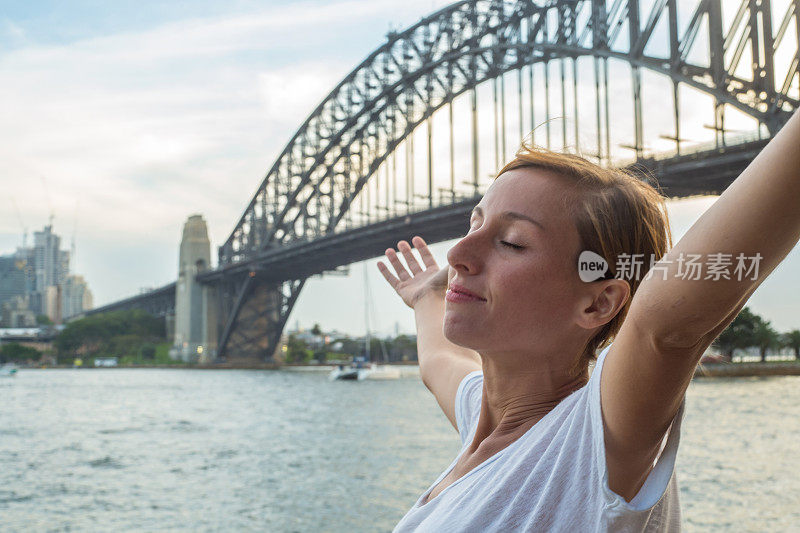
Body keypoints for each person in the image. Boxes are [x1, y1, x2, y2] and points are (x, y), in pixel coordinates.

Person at [377, 109, 800, 531]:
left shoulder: (593, 438)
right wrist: (425, 297)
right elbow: (439, 363)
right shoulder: (480, 419)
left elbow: (666, 325)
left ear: (598, 304)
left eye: (512, 242)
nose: (456, 254)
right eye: (474, 223)